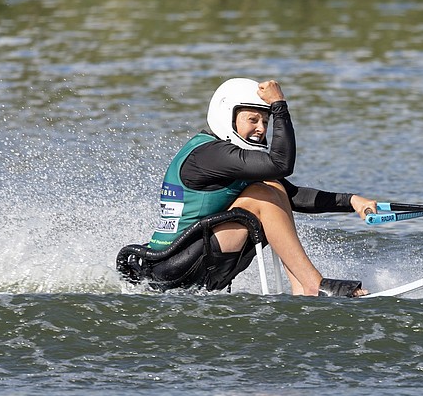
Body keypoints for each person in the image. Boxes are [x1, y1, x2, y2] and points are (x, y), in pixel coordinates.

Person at [144, 78, 374, 297]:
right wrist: (279, 105)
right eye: (253, 120)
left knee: (274, 187)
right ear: (228, 116)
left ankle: (301, 288)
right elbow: (281, 164)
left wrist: (352, 201)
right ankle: (313, 285)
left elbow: (292, 195)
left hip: (195, 259)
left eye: (266, 121)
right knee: (263, 194)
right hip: (172, 267)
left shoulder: (229, 158)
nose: (262, 129)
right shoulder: (211, 154)